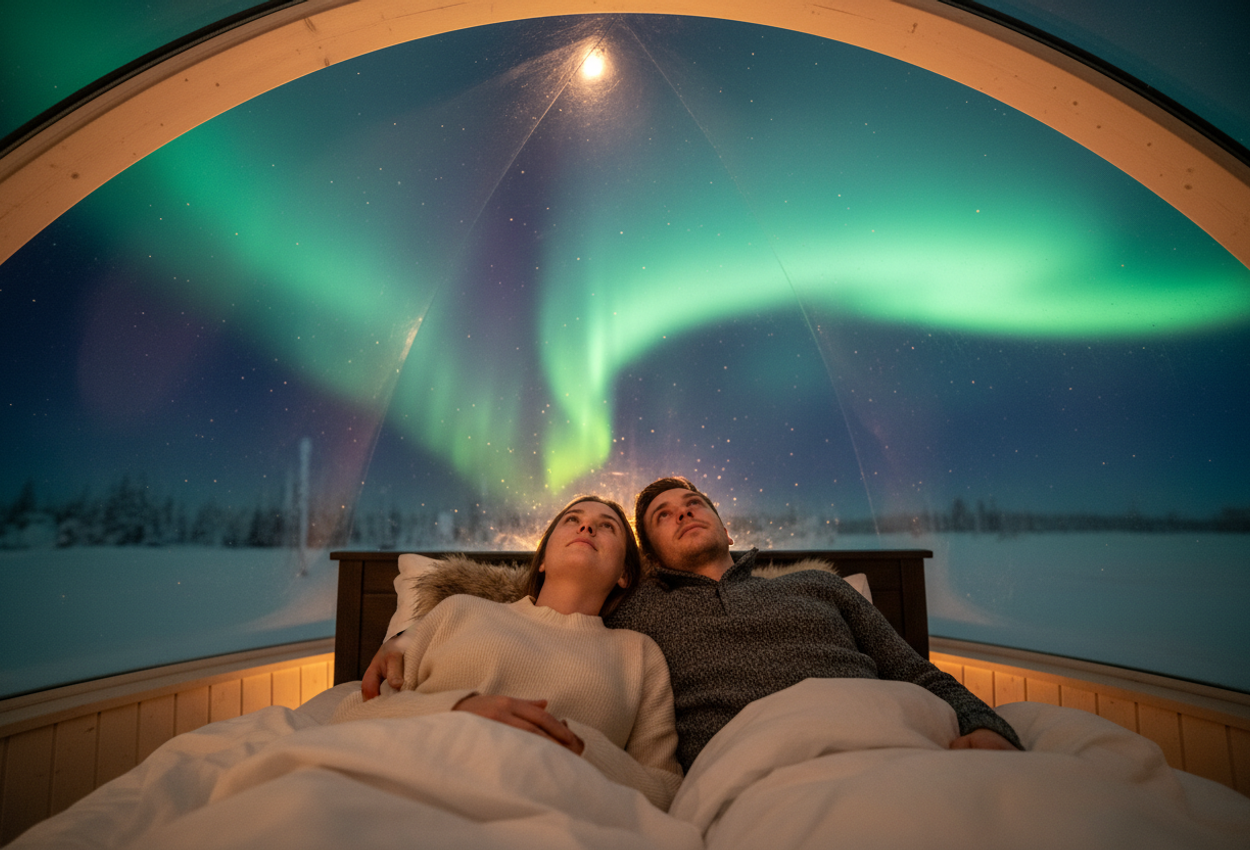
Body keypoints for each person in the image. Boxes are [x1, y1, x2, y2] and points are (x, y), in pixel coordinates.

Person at [607, 476, 1022, 771]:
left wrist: (985, 724)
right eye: (663, 515)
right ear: (651, 558)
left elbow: (915, 672)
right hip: (755, 769)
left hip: (890, 738)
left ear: (728, 532)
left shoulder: (818, 585)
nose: (683, 513)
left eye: (694, 504)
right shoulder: (642, 611)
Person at [336, 495, 682, 810]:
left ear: (624, 574)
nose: (586, 527)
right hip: (412, 788)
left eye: (607, 526)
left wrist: (579, 749)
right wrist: (457, 710)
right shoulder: (459, 610)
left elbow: (665, 790)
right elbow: (350, 717)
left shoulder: (639, 655)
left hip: (551, 817)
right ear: (542, 561)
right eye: (572, 519)